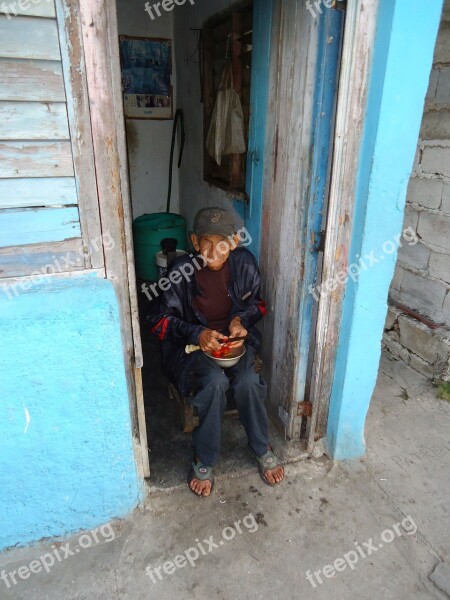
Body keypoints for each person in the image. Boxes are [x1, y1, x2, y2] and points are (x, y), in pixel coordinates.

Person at [149, 207, 284, 497]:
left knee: (248, 379)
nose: (214, 251)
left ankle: (261, 446)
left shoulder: (245, 263)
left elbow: (259, 305)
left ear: (234, 242)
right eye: (206, 243)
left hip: (232, 345)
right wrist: (197, 333)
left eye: (222, 243)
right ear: (195, 242)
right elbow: (157, 322)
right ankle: (204, 457)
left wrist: (241, 321)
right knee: (214, 383)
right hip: (193, 348)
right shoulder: (178, 272)